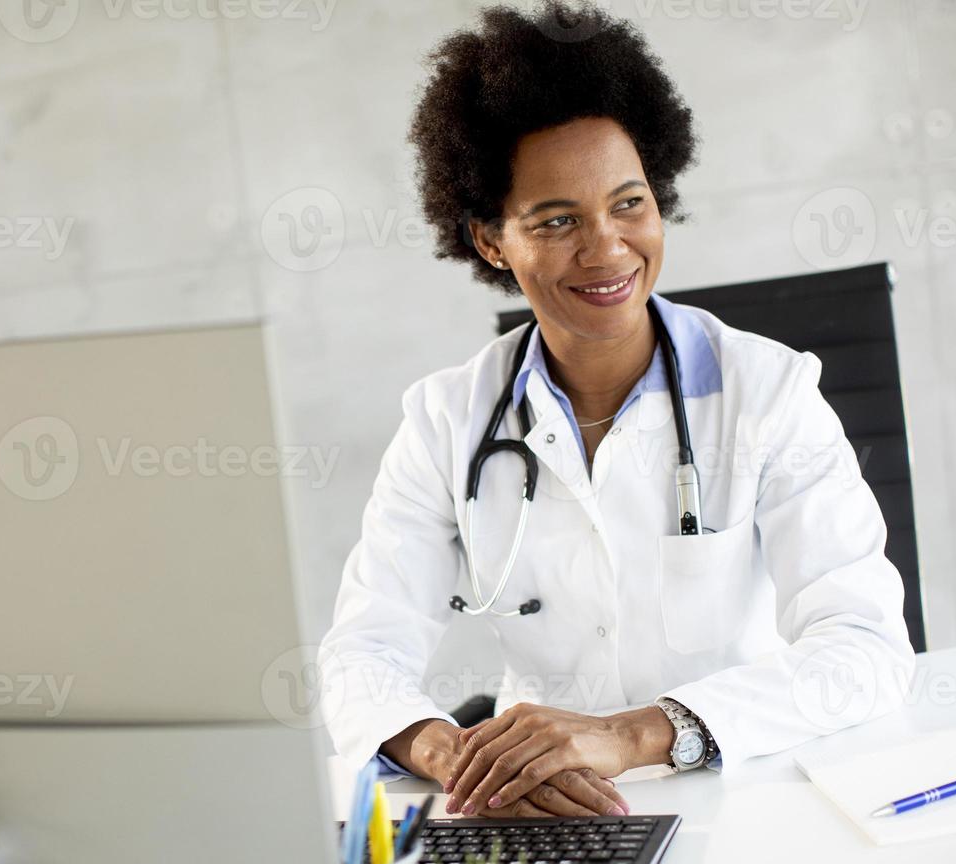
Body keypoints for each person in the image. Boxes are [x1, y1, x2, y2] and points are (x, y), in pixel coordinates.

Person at [318, 1, 914, 819]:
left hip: (748, 793)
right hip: (537, 812)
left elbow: (867, 650)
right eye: (556, 220)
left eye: (628, 204)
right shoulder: (445, 423)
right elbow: (361, 654)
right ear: (492, 240)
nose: (606, 248)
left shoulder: (768, 393)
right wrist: (461, 759)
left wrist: (633, 736)